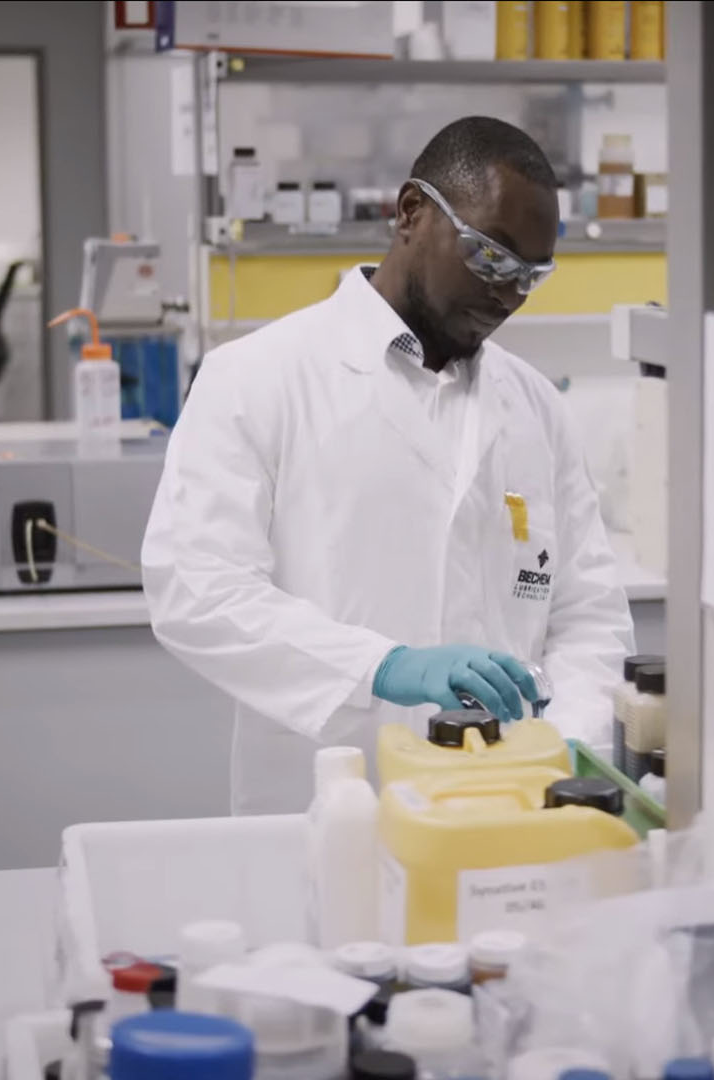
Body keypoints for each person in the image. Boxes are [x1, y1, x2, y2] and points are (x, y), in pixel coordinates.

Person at [141, 116, 634, 814]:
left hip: (508, 808)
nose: (506, 294)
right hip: (330, 805)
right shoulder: (256, 379)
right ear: (411, 213)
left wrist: (562, 748)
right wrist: (381, 666)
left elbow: (589, 614)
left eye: (530, 276)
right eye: (490, 258)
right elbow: (195, 589)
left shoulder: (536, 408)